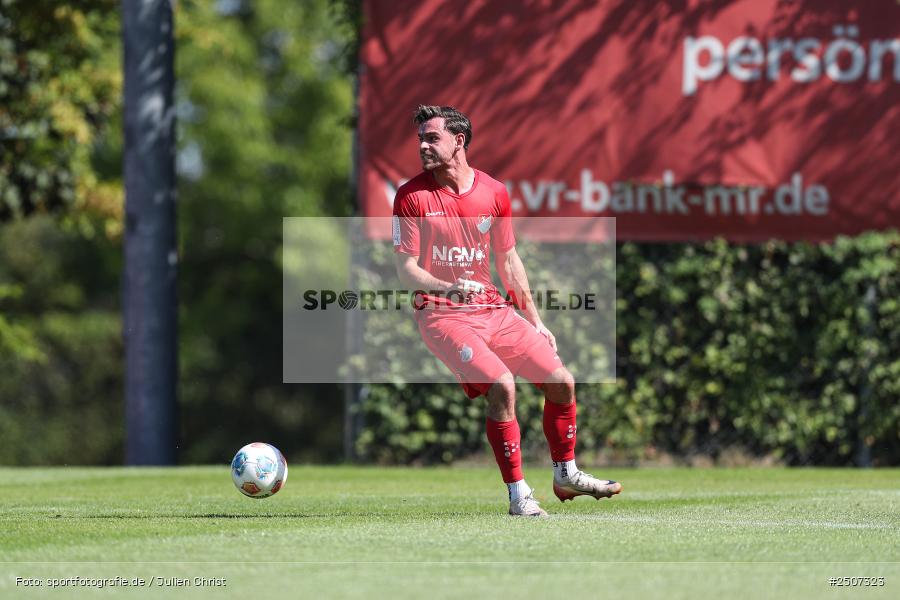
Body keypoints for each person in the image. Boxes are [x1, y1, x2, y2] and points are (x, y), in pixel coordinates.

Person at [392, 105, 621, 517]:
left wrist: (536, 320)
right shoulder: (411, 197)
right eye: (420, 139)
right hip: (442, 315)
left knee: (562, 382)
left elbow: (509, 260)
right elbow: (405, 268)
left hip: (493, 311)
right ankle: (519, 495)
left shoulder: (494, 192)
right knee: (502, 385)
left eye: (432, 138)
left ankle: (565, 474)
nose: (423, 146)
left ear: (459, 141)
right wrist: (449, 289)